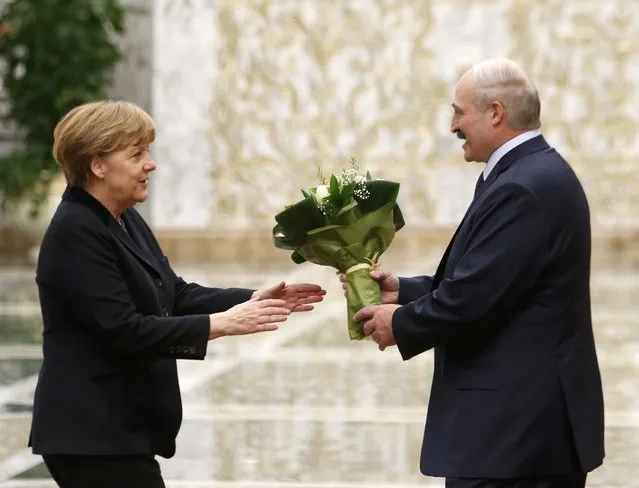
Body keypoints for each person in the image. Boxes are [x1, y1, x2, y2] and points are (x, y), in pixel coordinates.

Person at [29, 100, 326, 488]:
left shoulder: (123, 219)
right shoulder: (76, 231)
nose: (150, 164)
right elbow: (125, 330)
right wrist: (221, 325)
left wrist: (254, 299)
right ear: (97, 165)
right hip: (91, 433)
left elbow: (175, 293)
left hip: (118, 429)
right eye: (136, 154)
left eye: (147, 151)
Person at [348, 58, 604, 488]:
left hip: (517, 438)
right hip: (516, 435)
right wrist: (402, 291)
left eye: (458, 112)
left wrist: (400, 324)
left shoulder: (523, 187)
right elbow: (492, 282)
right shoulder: (527, 173)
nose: (452, 126)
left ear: (496, 113)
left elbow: (472, 299)